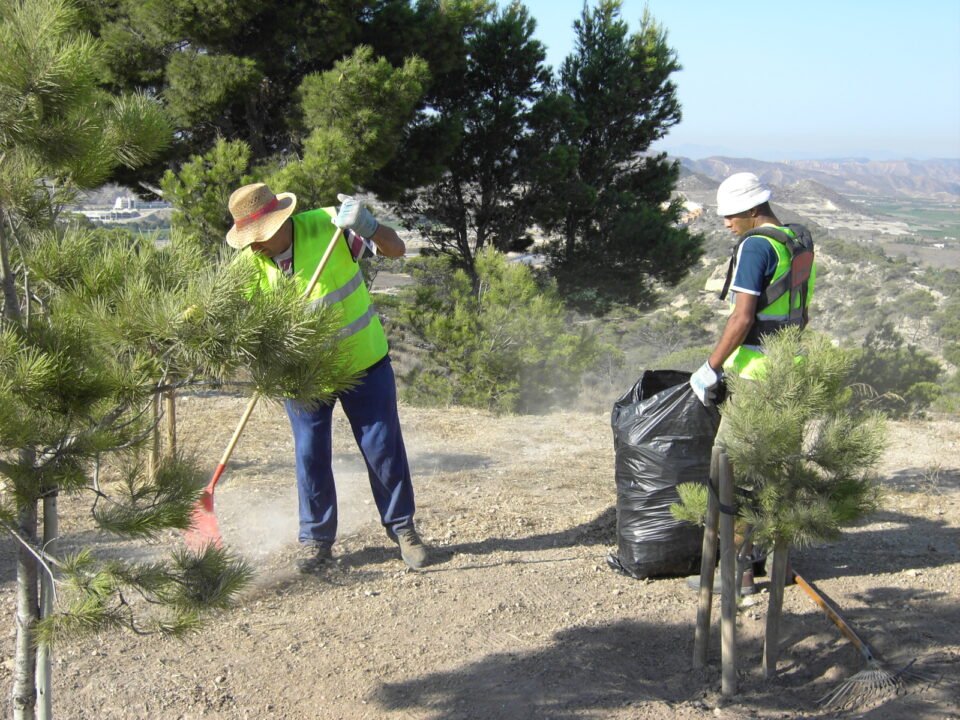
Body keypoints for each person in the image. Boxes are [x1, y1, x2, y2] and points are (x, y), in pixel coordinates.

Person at [225, 182, 428, 571]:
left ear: (281, 221)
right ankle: (317, 541)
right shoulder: (250, 264)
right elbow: (234, 319)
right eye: (248, 240)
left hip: (362, 364)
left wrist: (370, 227)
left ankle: (402, 527)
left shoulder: (330, 227)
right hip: (302, 376)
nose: (255, 246)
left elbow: (397, 249)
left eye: (260, 237)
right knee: (310, 454)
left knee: (383, 447)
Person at [688, 172, 816, 593]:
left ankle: (736, 573)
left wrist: (711, 365)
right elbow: (801, 310)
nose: (726, 223)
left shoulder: (757, 246)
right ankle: (776, 563)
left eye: (730, 216)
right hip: (791, 367)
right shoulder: (798, 240)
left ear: (752, 210)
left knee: (731, 469)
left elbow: (742, 318)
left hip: (757, 375)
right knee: (776, 470)